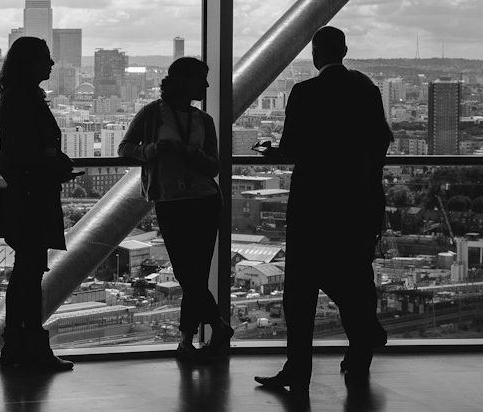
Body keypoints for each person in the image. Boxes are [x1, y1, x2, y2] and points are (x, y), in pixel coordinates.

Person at [254, 26, 392, 392]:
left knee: (301, 289)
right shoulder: (367, 90)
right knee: (355, 273)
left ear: (316, 54)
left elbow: (293, 148)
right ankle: (361, 346)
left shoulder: (305, 92)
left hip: (314, 202)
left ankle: (298, 370)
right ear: (344, 50)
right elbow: (382, 140)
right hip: (359, 201)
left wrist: (273, 154)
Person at [117, 57, 232, 361]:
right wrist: (152, 150)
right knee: (188, 273)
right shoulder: (152, 114)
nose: (206, 86)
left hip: (202, 200)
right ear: (185, 82)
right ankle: (216, 326)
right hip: (176, 200)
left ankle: (186, 340)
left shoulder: (203, 120)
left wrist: (185, 153)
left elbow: (213, 165)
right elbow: (125, 148)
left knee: (193, 274)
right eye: (201, 80)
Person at [0, 36, 76, 372]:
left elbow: (20, 150)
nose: (51, 65)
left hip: (20, 193)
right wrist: (54, 164)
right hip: (30, 195)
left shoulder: (14, 97)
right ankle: (29, 346)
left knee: (26, 272)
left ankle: (19, 345)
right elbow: (30, 151)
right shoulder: (25, 99)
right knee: (29, 273)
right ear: (30, 64)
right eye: (46, 59)